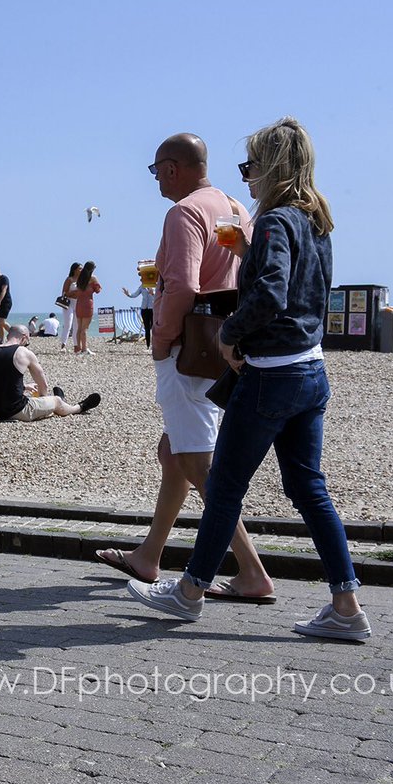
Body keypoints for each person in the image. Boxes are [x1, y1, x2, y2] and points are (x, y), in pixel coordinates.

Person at [129, 118, 369, 640]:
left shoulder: (278, 219)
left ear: (272, 167)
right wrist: (246, 254)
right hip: (312, 369)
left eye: (251, 166)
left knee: (226, 488)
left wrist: (229, 336)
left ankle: (189, 592)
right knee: (309, 490)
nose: (247, 178)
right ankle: (345, 605)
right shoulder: (315, 220)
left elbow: (272, 293)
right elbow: (305, 290)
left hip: (270, 376)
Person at [95, 132, 274, 601]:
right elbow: (248, 275)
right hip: (224, 347)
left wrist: (161, 340)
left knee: (196, 460)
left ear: (173, 168)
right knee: (173, 450)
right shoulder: (236, 207)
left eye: (157, 171)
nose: (156, 180)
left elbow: (181, 285)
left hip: (189, 348)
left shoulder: (184, 212)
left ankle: (251, 570)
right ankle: (149, 555)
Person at [0, 325, 101, 421]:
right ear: (24, 337)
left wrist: (23, 387)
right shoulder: (23, 352)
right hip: (14, 411)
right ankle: (79, 407)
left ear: (9, 335)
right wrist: (44, 399)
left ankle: (57, 400)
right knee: (56, 402)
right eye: (27, 341)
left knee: (39, 400)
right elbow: (42, 385)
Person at [68, 261, 102, 355]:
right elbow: (98, 290)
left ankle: (78, 349)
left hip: (79, 304)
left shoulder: (80, 279)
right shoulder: (93, 278)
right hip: (88, 304)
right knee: (84, 329)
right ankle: (84, 349)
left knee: (79, 328)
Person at [121, 281, 156, 348]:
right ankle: (148, 346)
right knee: (147, 328)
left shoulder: (155, 285)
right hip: (144, 309)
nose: (141, 280)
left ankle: (154, 345)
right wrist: (128, 294)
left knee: (154, 327)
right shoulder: (142, 286)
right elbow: (135, 295)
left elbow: (159, 296)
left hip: (152, 309)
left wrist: (153, 293)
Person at [57, 263, 80, 353]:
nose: (81, 270)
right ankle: (63, 345)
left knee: (76, 326)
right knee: (68, 324)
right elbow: (64, 293)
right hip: (69, 304)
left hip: (78, 304)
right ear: (74, 269)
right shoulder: (69, 279)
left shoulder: (82, 280)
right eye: (79, 268)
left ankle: (76, 346)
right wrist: (74, 292)